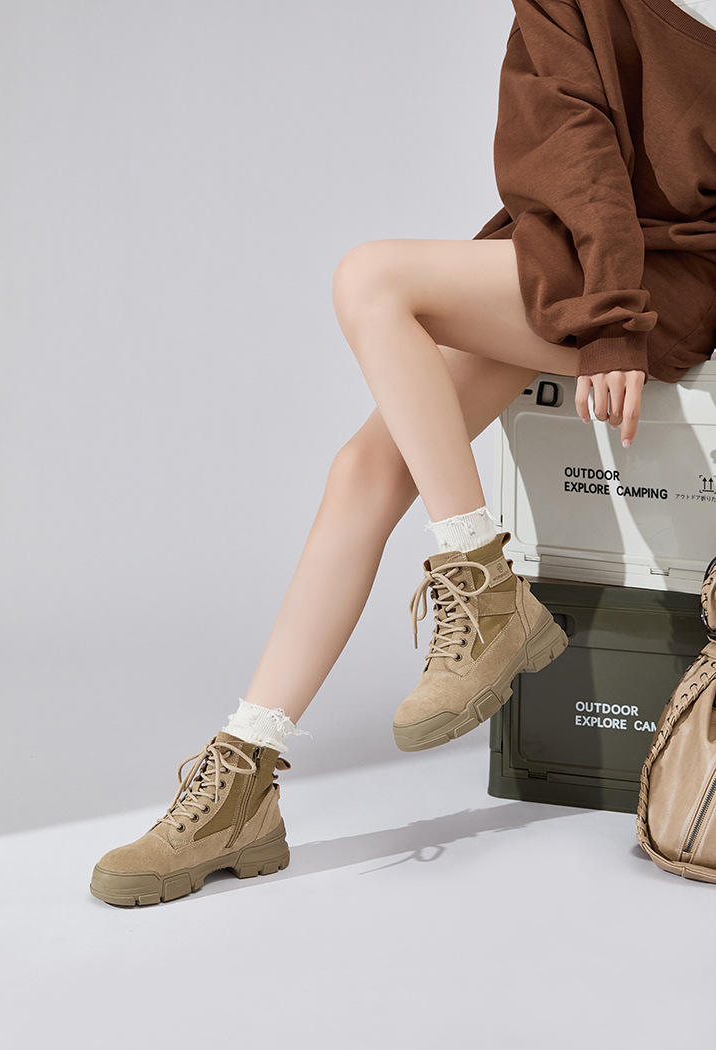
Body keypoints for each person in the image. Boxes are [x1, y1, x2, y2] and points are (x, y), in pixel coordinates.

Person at [90, 0, 716, 906]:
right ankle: (244, 774)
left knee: (373, 278)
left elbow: (606, 154)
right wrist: (602, 307)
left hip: (665, 277)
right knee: (362, 468)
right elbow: (572, 143)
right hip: (581, 264)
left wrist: (616, 321)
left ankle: (482, 583)